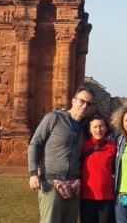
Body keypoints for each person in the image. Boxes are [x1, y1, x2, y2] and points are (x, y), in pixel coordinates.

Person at [28, 86, 95, 223]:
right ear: (73, 101)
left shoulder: (85, 127)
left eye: (89, 103)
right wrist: (33, 172)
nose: (84, 106)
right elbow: (35, 143)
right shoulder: (54, 118)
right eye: (82, 101)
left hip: (74, 184)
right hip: (51, 181)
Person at [80, 113, 116, 223]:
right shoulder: (83, 145)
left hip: (106, 196)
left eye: (101, 126)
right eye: (95, 127)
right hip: (87, 195)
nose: (98, 130)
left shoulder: (113, 146)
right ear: (89, 129)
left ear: (106, 128)